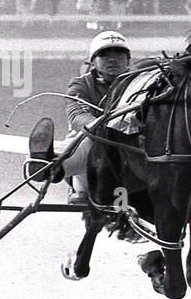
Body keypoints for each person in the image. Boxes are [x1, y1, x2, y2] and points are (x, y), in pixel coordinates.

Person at [26, 30, 131, 207]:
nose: (112, 59)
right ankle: (51, 168)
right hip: (93, 138)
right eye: (105, 54)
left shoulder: (142, 82)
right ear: (93, 62)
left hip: (131, 141)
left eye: (119, 53)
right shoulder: (80, 85)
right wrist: (102, 128)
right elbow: (77, 115)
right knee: (91, 144)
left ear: (128, 60)